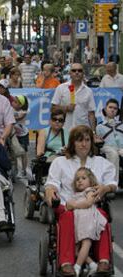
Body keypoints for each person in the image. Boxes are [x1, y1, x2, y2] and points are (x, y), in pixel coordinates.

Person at [44, 125, 117, 276]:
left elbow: (113, 183)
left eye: (87, 140)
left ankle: (103, 260)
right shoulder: (60, 162)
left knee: (101, 217)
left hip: (91, 206)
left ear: (91, 142)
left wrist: (105, 188)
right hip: (67, 205)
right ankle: (66, 263)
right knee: (68, 217)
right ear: (72, 143)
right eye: (79, 140)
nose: (84, 144)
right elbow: (52, 184)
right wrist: (50, 192)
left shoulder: (100, 162)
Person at [66, 167, 107, 276]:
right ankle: (93, 265)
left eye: (83, 178)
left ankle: (77, 267)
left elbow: (88, 203)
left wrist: (73, 205)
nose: (79, 180)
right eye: (77, 179)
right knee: (76, 251)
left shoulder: (89, 191)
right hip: (79, 223)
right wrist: (68, 205)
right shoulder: (77, 194)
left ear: (91, 181)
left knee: (86, 243)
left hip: (87, 221)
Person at [52, 63, 96, 131]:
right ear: (70, 73)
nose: (77, 72)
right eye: (74, 70)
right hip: (64, 130)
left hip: (82, 130)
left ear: (83, 73)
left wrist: (93, 132)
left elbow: (91, 114)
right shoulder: (61, 88)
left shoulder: (88, 91)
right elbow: (53, 108)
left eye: (79, 70)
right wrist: (66, 108)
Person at [96, 98, 123, 181]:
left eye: (115, 108)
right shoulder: (100, 126)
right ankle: (113, 184)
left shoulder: (121, 124)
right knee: (113, 154)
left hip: (121, 147)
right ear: (105, 109)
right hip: (107, 147)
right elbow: (98, 141)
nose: (112, 110)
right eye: (110, 107)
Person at [12, 95, 30, 178]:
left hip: (23, 134)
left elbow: (17, 118)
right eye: (13, 101)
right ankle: (16, 170)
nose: (13, 103)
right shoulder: (11, 110)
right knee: (14, 152)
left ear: (21, 105)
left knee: (23, 153)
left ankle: (23, 170)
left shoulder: (23, 112)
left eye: (15, 102)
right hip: (15, 134)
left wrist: (10, 116)